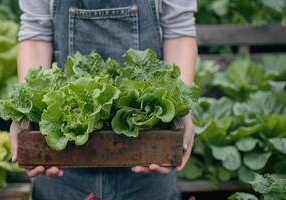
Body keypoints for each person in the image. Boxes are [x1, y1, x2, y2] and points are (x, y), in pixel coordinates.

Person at [10, 0, 197, 199]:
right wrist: (25, 114)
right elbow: (36, 31)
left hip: (147, 156)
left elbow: (178, 29)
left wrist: (181, 108)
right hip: (61, 160)